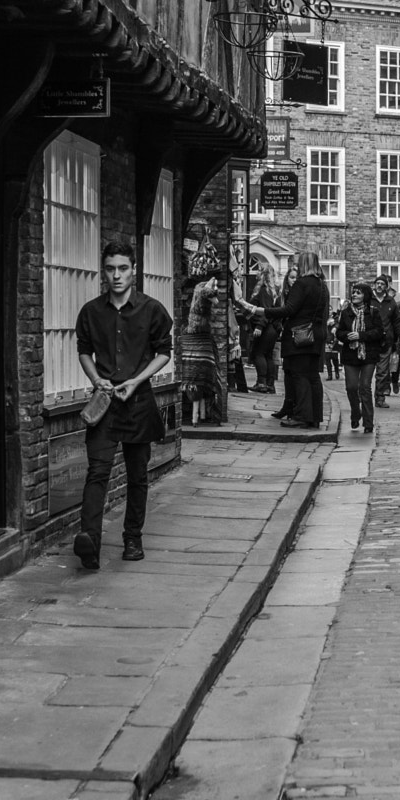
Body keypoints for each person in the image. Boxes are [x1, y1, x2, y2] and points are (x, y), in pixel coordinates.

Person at [73, 239, 174, 569]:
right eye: (110, 269)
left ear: (134, 271)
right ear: (103, 272)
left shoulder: (152, 310)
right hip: (104, 403)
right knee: (97, 472)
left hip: (138, 402)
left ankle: (133, 538)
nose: (116, 275)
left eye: (123, 269)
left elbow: (163, 352)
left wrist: (137, 380)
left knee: (137, 475)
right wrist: (95, 379)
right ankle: (90, 540)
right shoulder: (91, 312)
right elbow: (84, 351)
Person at [241, 251, 327, 428]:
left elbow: (289, 309)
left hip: (299, 334)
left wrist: (261, 311)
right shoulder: (321, 285)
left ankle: (301, 416)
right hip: (316, 334)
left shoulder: (302, 283)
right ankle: (315, 417)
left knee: (299, 375)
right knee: (313, 376)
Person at [334, 281, 388, 433]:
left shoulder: (373, 312)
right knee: (351, 387)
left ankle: (368, 422)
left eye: (358, 293)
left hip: (368, 355)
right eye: (353, 292)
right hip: (350, 355)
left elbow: (379, 332)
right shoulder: (346, 313)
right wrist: (348, 336)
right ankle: (355, 413)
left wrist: (361, 335)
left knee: (364, 387)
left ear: (365, 296)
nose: (354, 295)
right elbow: (339, 332)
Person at [178, 271, 227, 425]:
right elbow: (214, 300)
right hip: (198, 334)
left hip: (200, 333)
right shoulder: (202, 295)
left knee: (202, 372)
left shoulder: (199, 294)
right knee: (200, 373)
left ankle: (201, 413)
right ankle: (201, 413)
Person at [247, 262, 280, 397]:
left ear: (264, 274)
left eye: (259, 271)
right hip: (272, 329)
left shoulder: (264, 291)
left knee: (258, 354)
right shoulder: (273, 291)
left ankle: (262, 383)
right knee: (267, 355)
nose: (257, 273)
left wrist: (259, 326)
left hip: (265, 328)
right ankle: (269, 385)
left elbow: (266, 311)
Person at [369, 273, 400, 407]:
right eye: (377, 284)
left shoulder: (391, 302)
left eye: (382, 284)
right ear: (374, 285)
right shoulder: (368, 300)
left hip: (386, 341)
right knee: (367, 371)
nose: (379, 286)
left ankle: (380, 398)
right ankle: (364, 396)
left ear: (386, 287)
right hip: (370, 341)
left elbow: (397, 322)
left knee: (382, 372)